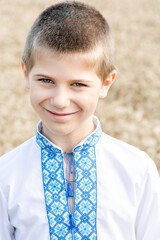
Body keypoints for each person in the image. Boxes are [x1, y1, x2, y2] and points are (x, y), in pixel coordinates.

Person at [0, 1, 160, 239]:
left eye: (78, 84)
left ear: (106, 83)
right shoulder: (6, 176)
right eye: (46, 80)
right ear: (26, 74)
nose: (60, 100)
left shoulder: (137, 170)